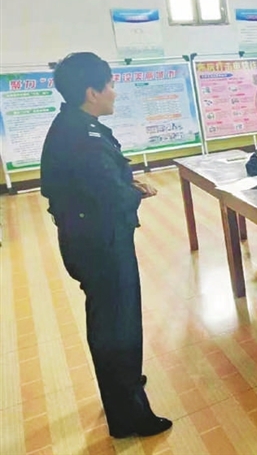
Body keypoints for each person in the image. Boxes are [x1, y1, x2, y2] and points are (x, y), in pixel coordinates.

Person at [40, 52, 171, 438]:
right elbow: (110, 196)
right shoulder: (84, 137)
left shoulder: (72, 124)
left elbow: (93, 183)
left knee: (110, 319)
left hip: (88, 240)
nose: (115, 91)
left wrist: (125, 184)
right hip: (102, 244)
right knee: (118, 325)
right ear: (91, 92)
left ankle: (121, 388)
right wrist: (133, 192)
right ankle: (129, 416)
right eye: (111, 85)